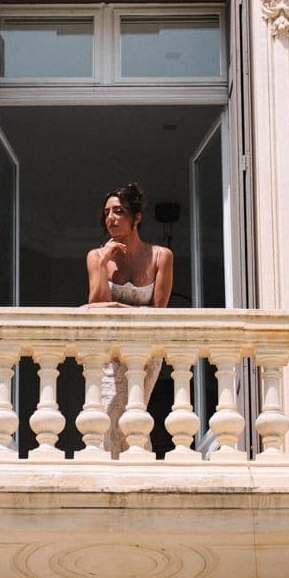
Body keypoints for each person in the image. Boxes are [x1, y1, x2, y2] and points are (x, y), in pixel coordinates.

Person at [85, 184, 172, 455]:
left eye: (119, 212)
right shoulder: (95, 257)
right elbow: (97, 305)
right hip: (107, 354)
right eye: (107, 212)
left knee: (134, 416)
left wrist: (118, 305)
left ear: (136, 218)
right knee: (107, 417)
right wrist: (101, 265)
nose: (111, 218)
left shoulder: (161, 256)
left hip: (145, 354)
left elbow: (158, 312)